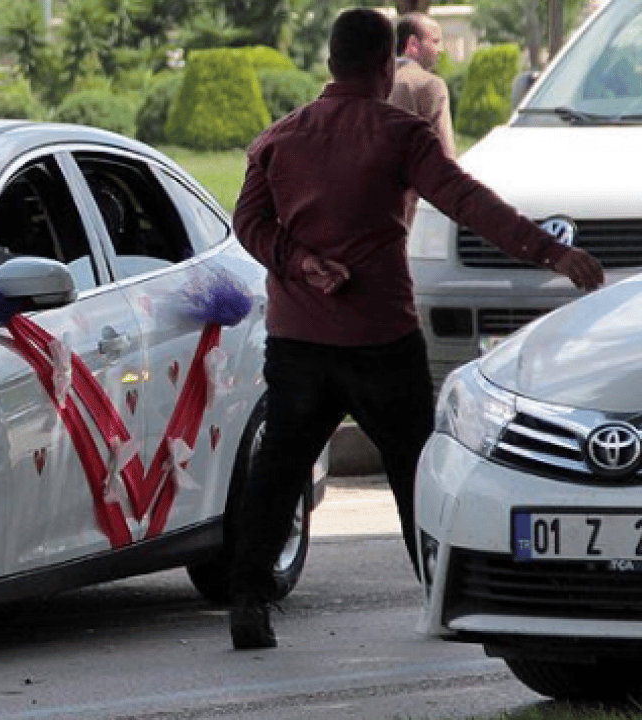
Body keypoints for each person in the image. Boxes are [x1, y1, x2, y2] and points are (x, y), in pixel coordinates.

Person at [226, 7, 604, 651]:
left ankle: (247, 603)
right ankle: (438, 591)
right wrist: (552, 252)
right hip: (380, 338)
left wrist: (299, 262)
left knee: (278, 469)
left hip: (297, 339)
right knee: (414, 468)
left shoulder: (278, 138)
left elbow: (248, 223)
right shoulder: (400, 134)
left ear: (329, 64)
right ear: (384, 65)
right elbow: (466, 201)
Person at [389, 12, 455, 224]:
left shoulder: (370, 80)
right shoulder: (428, 85)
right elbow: (445, 158)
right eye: (435, 41)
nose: (441, 49)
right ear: (413, 44)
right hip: (410, 213)